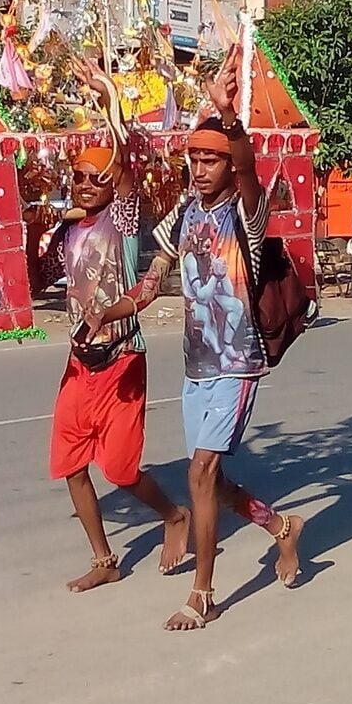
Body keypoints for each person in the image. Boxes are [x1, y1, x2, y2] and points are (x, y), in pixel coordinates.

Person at [91, 47, 303, 630]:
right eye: (196, 159)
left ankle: (203, 593)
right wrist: (115, 308)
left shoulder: (246, 215)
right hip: (196, 365)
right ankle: (281, 527)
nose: (203, 168)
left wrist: (229, 118)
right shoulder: (185, 214)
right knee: (211, 478)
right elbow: (153, 279)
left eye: (213, 159)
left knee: (201, 473)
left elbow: (251, 171)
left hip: (238, 362)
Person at [39, 130, 190, 594]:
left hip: (122, 359)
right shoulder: (68, 229)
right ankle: (104, 559)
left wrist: (110, 106)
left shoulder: (122, 224)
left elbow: (125, 177)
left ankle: (174, 515)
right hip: (79, 362)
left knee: (121, 472)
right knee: (69, 464)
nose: (87, 184)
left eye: (97, 178)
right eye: (80, 176)